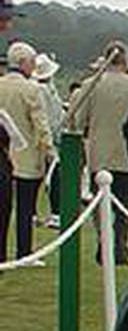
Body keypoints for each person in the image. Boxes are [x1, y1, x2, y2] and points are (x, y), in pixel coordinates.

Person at [66, 40, 128, 263]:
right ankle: (119, 247)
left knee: (100, 205)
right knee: (126, 207)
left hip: (99, 155)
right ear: (126, 61)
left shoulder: (91, 85)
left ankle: (105, 244)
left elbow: (79, 120)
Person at [0, 42, 53, 260]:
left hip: (4, 153)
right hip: (26, 156)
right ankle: (24, 251)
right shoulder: (32, 89)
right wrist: (49, 149)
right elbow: (40, 124)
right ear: (23, 63)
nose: (34, 66)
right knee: (25, 208)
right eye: (31, 62)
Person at [33, 53, 64, 225]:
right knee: (53, 176)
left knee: (44, 176)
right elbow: (48, 118)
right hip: (48, 139)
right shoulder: (42, 91)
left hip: (49, 137)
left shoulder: (48, 89)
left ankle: (36, 213)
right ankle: (55, 213)